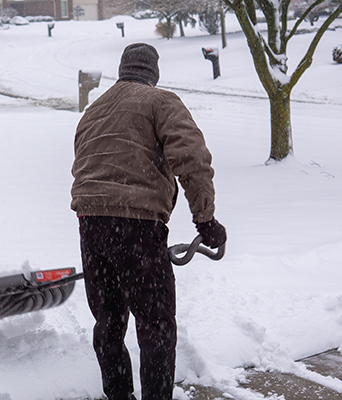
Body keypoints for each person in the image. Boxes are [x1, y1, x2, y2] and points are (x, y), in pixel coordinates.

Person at [70, 43, 226, 400]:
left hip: (90, 224)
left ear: (123, 69)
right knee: (155, 325)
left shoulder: (94, 111)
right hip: (137, 225)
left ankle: (119, 395)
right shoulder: (160, 101)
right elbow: (192, 159)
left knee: (108, 325)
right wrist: (206, 220)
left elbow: (82, 165)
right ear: (153, 73)